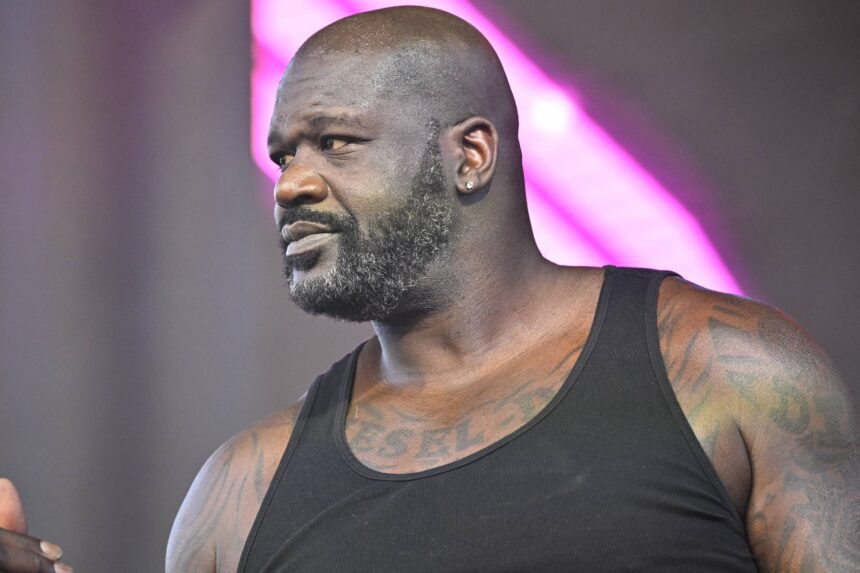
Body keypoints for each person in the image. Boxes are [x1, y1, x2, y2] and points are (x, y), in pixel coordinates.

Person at [1, 6, 856, 573]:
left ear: (470, 154)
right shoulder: (242, 491)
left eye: (335, 143)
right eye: (283, 154)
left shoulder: (730, 371)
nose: (291, 183)